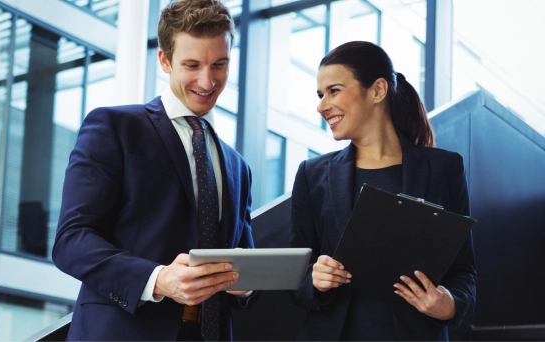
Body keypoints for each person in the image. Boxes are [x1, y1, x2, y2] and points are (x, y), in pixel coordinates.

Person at [52, 1, 256, 341]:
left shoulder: (238, 166)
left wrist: (246, 284)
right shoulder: (115, 127)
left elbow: (243, 262)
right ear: (165, 60)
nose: (208, 81)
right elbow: (71, 241)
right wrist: (158, 279)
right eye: (192, 65)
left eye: (219, 64)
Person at [289, 41, 476, 341]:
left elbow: (463, 269)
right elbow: (295, 276)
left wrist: (450, 305)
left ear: (377, 90)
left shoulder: (444, 168)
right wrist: (315, 279)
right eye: (320, 94)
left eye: (334, 90)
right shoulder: (312, 175)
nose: (322, 105)